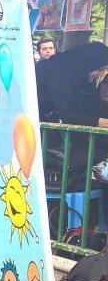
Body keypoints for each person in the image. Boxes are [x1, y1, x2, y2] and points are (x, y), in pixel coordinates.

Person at [35, 41, 108, 190]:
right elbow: (67, 114)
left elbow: (89, 107)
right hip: (53, 143)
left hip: (71, 141)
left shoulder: (80, 76)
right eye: (99, 69)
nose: (101, 73)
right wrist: (102, 122)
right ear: (88, 64)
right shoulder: (58, 75)